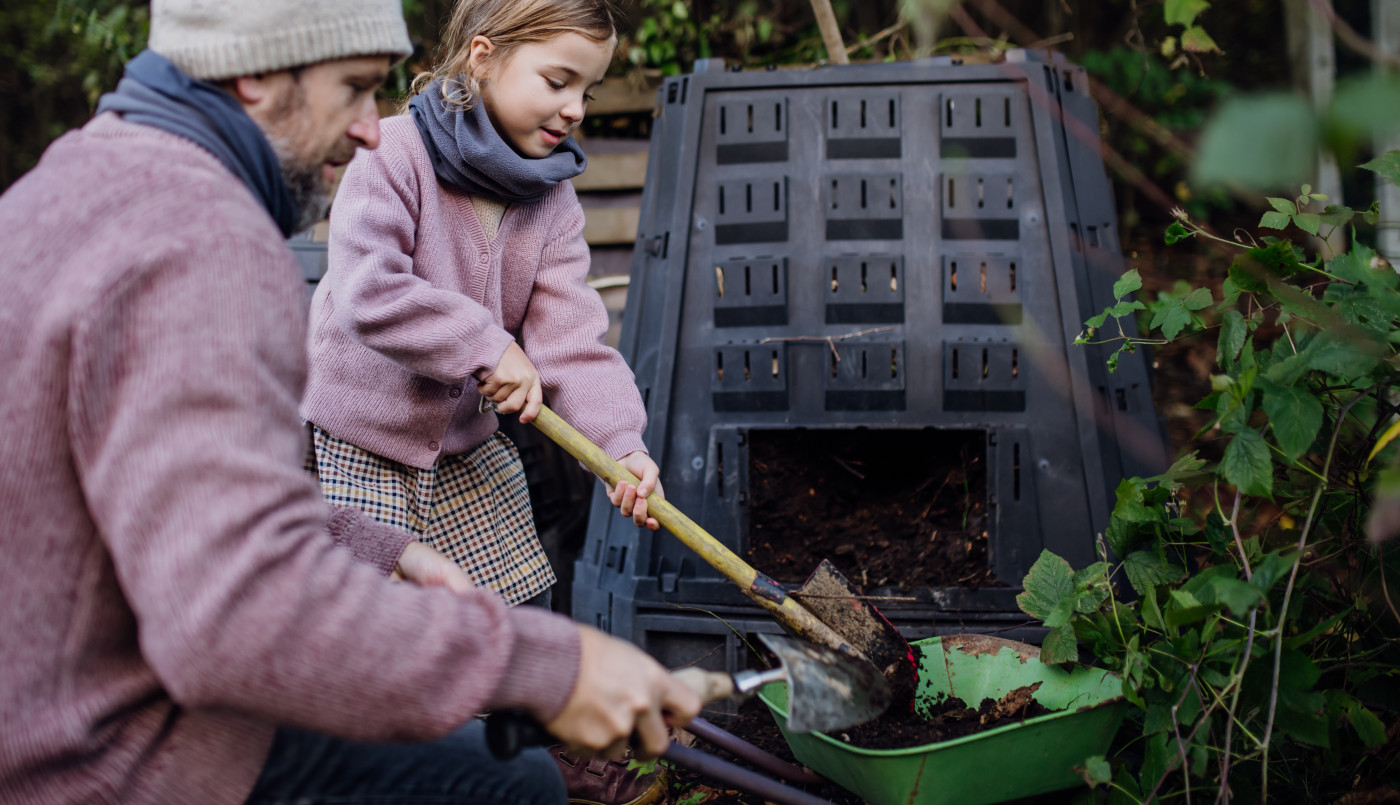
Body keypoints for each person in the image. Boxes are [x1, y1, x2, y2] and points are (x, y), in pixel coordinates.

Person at [0, 1, 700, 803]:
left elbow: (181, 515)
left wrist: (375, 546)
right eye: (357, 87)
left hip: (68, 693)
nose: (371, 125)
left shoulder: (66, 184)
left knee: (503, 648)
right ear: (258, 75)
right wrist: (551, 666)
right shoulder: (208, 244)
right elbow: (231, 620)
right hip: (98, 752)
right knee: (514, 787)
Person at [300, 0, 662, 617]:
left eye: (588, 92)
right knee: (377, 631)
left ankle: (511, 712)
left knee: (512, 621)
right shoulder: (391, 153)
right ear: (484, 59)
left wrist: (620, 443)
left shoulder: (550, 199)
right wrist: (487, 345)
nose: (575, 108)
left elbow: (571, 343)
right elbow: (369, 290)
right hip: (358, 444)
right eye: (557, 82)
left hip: (462, 450)